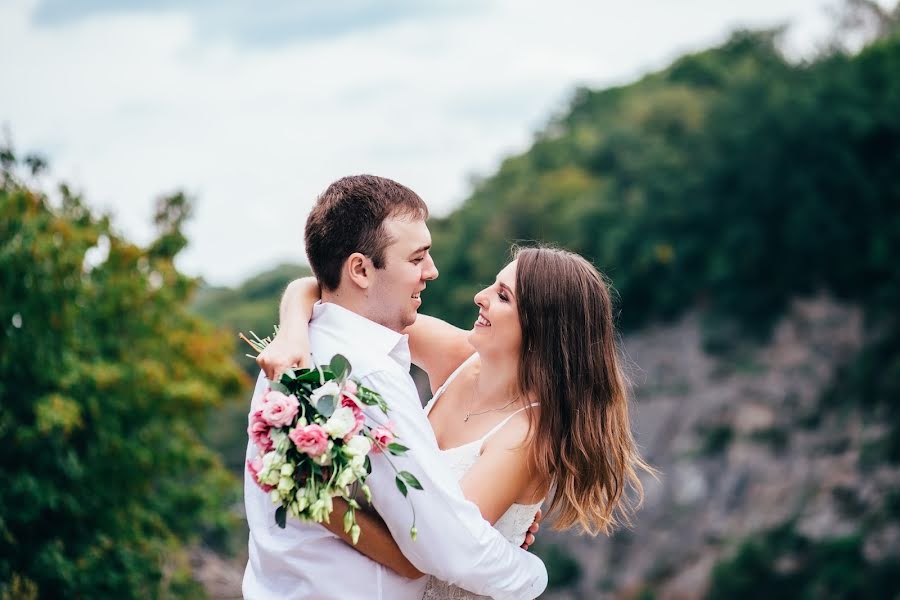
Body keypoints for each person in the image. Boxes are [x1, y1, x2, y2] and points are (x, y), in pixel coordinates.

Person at [263, 240, 655, 598]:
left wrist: (321, 502)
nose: (479, 297)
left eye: (502, 296)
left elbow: (427, 551)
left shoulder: (527, 437)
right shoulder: (460, 355)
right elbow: (319, 290)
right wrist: (293, 334)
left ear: (541, 327)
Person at [242, 174, 548, 600]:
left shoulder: (291, 352)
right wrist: (532, 573)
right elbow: (446, 545)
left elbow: (310, 285)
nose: (432, 271)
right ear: (361, 270)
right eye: (417, 258)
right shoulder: (372, 378)